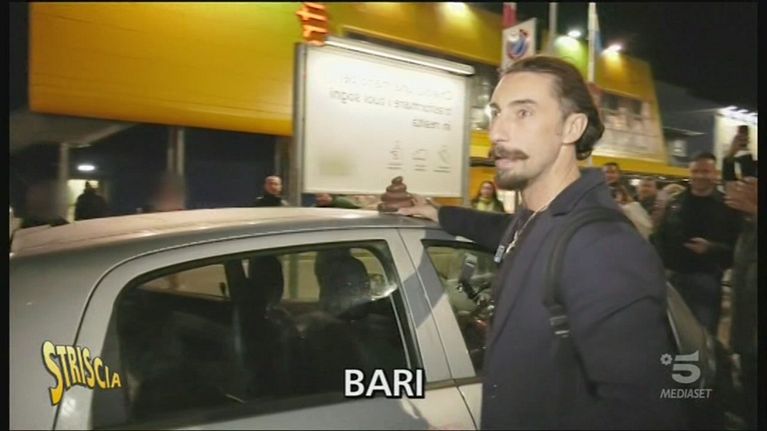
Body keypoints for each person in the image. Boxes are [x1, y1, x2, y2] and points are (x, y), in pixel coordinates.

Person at [398, 55, 683, 429]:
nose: (497, 132)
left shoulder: (602, 248)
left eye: (523, 113)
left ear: (572, 127)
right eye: (496, 113)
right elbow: (501, 229)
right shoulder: (537, 219)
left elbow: (645, 415)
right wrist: (439, 213)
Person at [653, 152, 741, 336]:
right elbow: (661, 236)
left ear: (715, 173)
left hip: (706, 280)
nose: (700, 175)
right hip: (673, 279)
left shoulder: (728, 207)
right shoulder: (675, 203)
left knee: (703, 336)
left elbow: (738, 249)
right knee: (673, 335)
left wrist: (711, 248)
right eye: (696, 171)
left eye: (705, 171)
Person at [722, 128, 757, 430]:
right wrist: (730, 155)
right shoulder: (745, 223)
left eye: (750, 184)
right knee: (748, 385)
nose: (742, 188)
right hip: (747, 330)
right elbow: (728, 184)